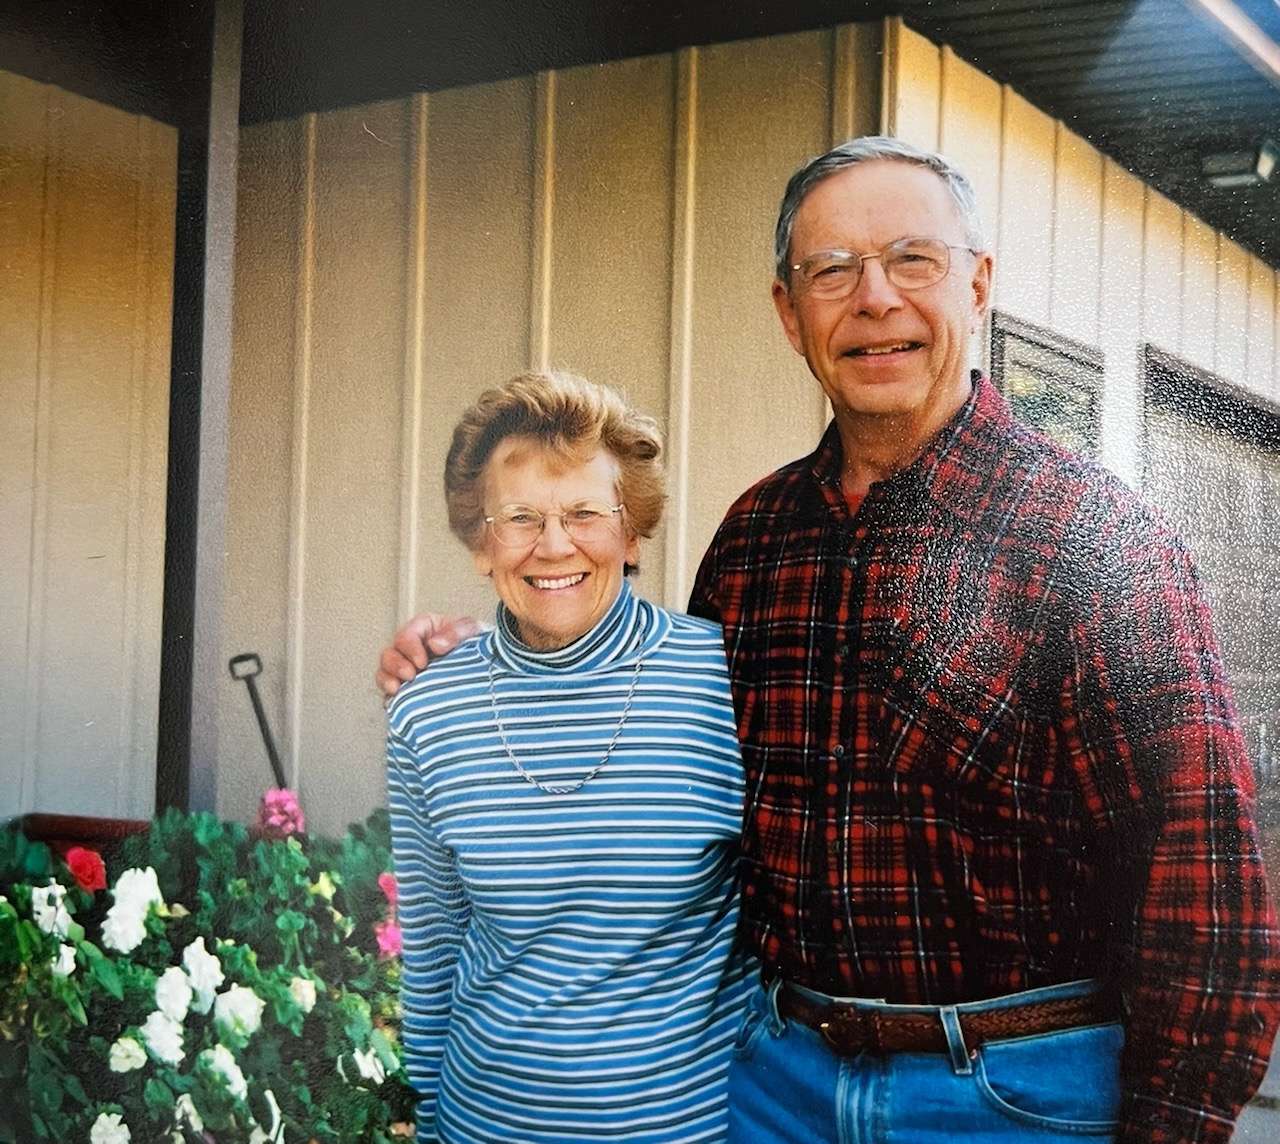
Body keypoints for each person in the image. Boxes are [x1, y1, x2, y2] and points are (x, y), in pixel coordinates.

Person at [378, 137, 1279, 1143]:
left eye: (911, 260)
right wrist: (476, 662)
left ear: (975, 284)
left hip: (1009, 1100)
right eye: (831, 270)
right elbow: (644, 746)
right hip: (773, 1085)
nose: (873, 298)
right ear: (787, 312)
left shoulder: (1094, 539)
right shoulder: (756, 538)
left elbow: (1201, 886)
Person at [385, 371, 750, 1143]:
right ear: (481, 545)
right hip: (485, 1124)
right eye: (518, 517)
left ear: (632, 532)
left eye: (586, 513)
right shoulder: (428, 708)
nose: (554, 545)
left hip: (688, 1129)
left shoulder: (723, 681)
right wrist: (426, 1119)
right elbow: (434, 947)